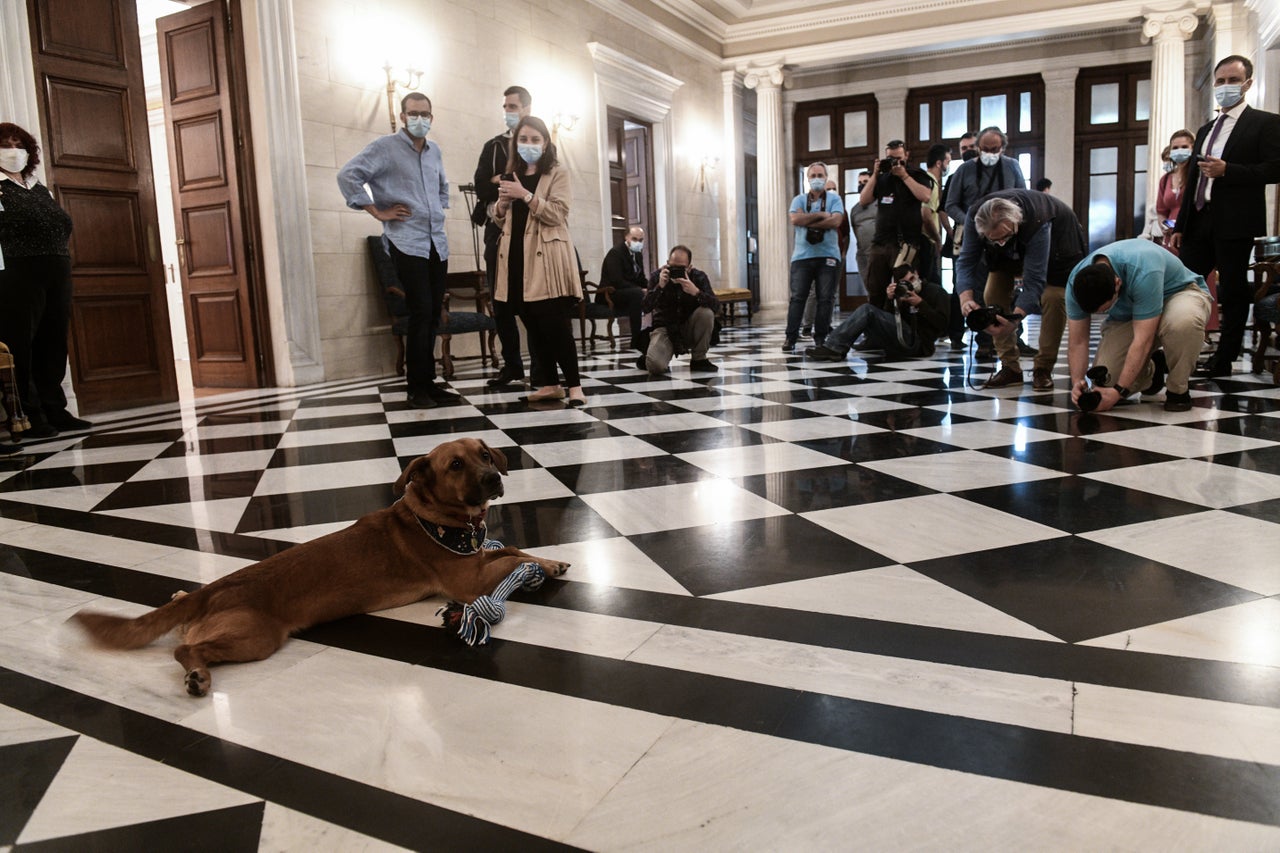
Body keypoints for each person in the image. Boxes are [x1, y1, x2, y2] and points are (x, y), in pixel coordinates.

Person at [338, 92, 457, 410]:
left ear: (432, 117)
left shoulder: (435, 152)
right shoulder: (384, 148)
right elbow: (348, 175)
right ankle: (416, 388)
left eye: (426, 114)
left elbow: (443, 186)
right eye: (414, 113)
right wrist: (378, 212)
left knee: (433, 314)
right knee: (420, 312)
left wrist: (438, 210)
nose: (421, 119)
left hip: (436, 242)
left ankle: (429, 383)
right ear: (403, 116)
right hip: (407, 242)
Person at [1171, 55, 1280, 378]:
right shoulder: (1205, 129)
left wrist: (1228, 170)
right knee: (1182, 284)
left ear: (1247, 84)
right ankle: (1180, 350)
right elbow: (1194, 181)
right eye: (1220, 81)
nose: (1225, 87)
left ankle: (1224, 358)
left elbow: (1274, 168)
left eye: (1233, 80)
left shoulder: (1265, 123)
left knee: (1232, 290)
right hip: (1200, 221)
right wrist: (1181, 225)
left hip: (1236, 220)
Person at [0, 121, 91, 439]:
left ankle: (55, 408)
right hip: (18, 274)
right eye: (6, 145)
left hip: (58, 271)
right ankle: (30, 415)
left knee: (53, 343)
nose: (13, 151)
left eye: (18, 145)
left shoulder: (39, 187)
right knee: (22, 344)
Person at [492, 116, 586, 406]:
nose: (529, 145)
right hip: (517, 256)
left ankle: (574, 386)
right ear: (515, 143)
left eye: (535, 139)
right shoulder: (511, 175)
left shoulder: (557, 173)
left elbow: (558, 214)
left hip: (546, 258)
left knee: (555, 324)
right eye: (523, 139)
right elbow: (499, 220)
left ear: (546, 143)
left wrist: (526, 195)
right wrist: (502, 204)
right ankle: (548, 383)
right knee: (531, 322)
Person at [955, 188, 1086, 390]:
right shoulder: (975, 216)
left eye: (1004, 237)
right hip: (1008, 256)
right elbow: (965, 262)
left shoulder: (1037, 221)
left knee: (1053, 297)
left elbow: (1034, 282)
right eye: (993, 239)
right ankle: (1010, 368)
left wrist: (1014, 321)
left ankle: (1043, 368)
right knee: (992, 293)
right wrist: (966, 298)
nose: (1000, 242)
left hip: (1059, 252)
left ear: (1016, 221)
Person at [1066, 238, 1212, 413]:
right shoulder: (1076, 283)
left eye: (1104, 309)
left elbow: (1143, 339)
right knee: (1107, 380)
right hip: (1132, 313)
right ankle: (1153, 371)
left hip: (1178, 294)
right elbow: (1078, 341)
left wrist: (1119, 392)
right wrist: (1077, 383)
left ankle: (1177, 388)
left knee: (1182, 323)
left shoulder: (1143, 269)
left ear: (1117, 284)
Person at [474, 85, 532, 388]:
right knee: (501, 300)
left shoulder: (540, 145)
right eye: (506, 106)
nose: (509, 111)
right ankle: (512, 365)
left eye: (514, 106)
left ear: (527, 109)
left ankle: (543, 365)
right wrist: (501, 180)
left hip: (530, 230)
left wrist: (510, 183)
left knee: (533, 300)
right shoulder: (493, 146)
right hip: (497, 229)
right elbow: (481, 186)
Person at [805, 263, 949, 361]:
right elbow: (890, 321)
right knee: (869, 312)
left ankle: (834, 347)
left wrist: (921, 304)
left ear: (916, 274)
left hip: (920, 344)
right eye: (905, 283)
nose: (910, 285)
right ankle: (835, 347)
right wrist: (891, 299)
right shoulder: (901, 294)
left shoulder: (936, 291)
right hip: (899, 340)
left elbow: (943, 325)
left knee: (868, 310)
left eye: (911, 279)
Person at [860, 141, 934, 312]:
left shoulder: (916, 174)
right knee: (875, 289)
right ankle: (876, 330)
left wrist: (904, 176)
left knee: (905, 290)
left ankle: (905, 331)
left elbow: (925, 196)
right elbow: (864, 200)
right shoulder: (883, 178)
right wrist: (876, 173)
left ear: (906, 155)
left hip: (905, 244)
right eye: (890, 159)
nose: (895, 163)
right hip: (880, 243)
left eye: (899, 158)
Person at [783, 162, 844, 352]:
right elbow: (795, 219)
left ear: (825, 177)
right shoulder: (798, 200)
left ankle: (820, 338)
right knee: (798, 298)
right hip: (802, 256)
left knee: (825, 298)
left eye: (820, 175)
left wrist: (808, 218)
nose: (817, 178)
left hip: (828, 255)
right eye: (813, 175)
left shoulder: (835, 199)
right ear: (808, 179)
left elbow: (836, 221)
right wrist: (822, 215)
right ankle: (790, 338)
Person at [640, 245, 719, 375]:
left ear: (689, 267)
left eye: (681, 268)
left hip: (690, 327)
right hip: (666, 329)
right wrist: (660, 287)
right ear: (667, 264)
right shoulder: (657, 276)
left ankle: (699, 359)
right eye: (672, 267)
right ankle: (650, 355)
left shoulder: (698, 277)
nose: (675, 271)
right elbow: (645, 308)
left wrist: (696, 292)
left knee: (706, 313)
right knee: (655, 367)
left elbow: (716, 306)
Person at [800, 178, 851, 339]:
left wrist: (843, 253)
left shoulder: (841, 210)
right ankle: (807, 326)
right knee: (815, 292)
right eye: (828, 189)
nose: (831, 192)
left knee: (831, 293)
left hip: (835, 256)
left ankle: (825, 324)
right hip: (816, 256)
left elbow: (846, 233)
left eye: (834, 189)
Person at [599, 225, 648, 350]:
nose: (638, 243)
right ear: (627, 237)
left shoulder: (638, 255)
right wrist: (640, 289)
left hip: (628, 291)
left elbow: (641, 278)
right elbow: (617, 280)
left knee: (654, 291)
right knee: (637, 294)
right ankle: (635, 339)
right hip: (610, 293)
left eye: (641, 240)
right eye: (635, 239)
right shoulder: (615, 253)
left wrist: (652, 287)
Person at [1155, 130, 1194, 251]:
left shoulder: (1197, 175)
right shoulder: (1165, 179)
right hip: (1170, 236)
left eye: (1184, 147)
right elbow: (1161, 210)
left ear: (1193, 148)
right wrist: (1165, 225)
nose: (1179, 150)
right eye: (1175, 148)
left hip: (1193, 233)